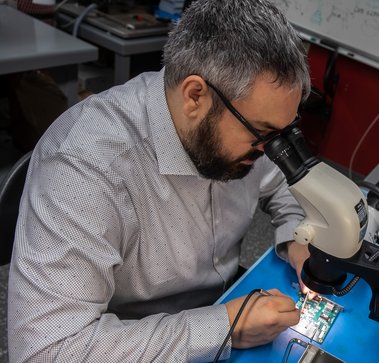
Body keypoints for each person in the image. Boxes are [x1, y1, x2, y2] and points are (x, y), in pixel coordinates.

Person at [7, 0, 314, 361]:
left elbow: (286, 189)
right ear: (195, 96)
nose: (270, 150)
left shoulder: (243, 126)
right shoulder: (85, 167)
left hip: (222, 307)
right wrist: (223, 326)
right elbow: (48, 350)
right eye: (262, 133)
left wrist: (299, 239)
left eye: (282, 133)